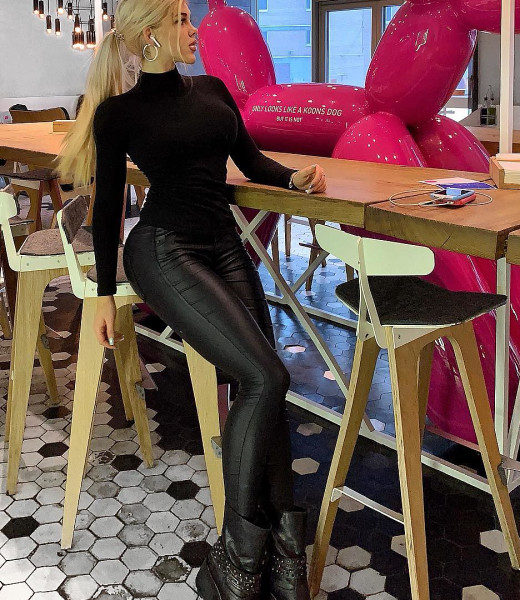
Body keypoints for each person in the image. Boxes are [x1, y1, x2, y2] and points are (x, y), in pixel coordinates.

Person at [56, 2, 326, 600]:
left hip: (224, 244)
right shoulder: (119, 113)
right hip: (163, 249)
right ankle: (237, 561)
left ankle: (284, 561)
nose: (193, 26)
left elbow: (248, 160)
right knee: (265, 376)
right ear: (150, 34)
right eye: (180, 17)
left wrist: (291, 179)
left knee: (267, 383)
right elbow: (107, 206)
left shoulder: (213, 90)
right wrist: (103, 294)